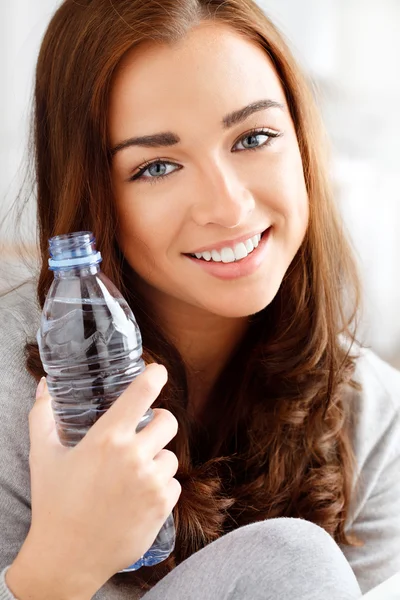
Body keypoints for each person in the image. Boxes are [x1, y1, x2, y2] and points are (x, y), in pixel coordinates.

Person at [0, 0, 399, 598]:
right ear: (92, 197)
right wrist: (58, 569)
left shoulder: (372, 418)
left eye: (255, 137)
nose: (228, 206)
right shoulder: (13, 387)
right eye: (157, 166)